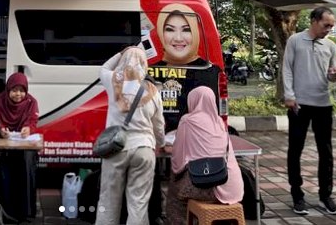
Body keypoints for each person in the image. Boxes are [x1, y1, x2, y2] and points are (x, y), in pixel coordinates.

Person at [282, 6, 336, 215]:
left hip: (323, 103)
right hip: (299, 104)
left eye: (331, 26)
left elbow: (332, 74)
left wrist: (335, 75)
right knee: (295, 149)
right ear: (314, 21)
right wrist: (289, 95)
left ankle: (326, 196)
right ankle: (297, 195)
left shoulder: (331, 45)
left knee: (326, 151)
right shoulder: (295, 40)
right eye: (326, 25)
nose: (329, 29)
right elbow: (287, 68)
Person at [95, 47, 165, 225]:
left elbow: (103, 68)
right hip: (144, 148)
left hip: (116, 148)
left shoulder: (113, 81)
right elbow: (159, 125)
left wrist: (121, 53)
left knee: (108, 200)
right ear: (144, 64)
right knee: (138, 202)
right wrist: (161, 143)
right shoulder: (153, 91)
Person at [165, 86, 243, 223]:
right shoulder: (219, 121)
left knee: (174, 187)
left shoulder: (188, 121)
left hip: (206, 186)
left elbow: (177, 161)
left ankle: (180, 221)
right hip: (232, 186)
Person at [0, 73, 40, 223]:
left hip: (23, 144)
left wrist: (28, 128)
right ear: (8, 89)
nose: (18, 94)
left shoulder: (31, 102)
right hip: (4, 143)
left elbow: (33, 120)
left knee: (26, 160)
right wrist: (2, 129)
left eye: (21, 90)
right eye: (14, 90)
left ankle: (25, 212)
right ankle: (3, 209)